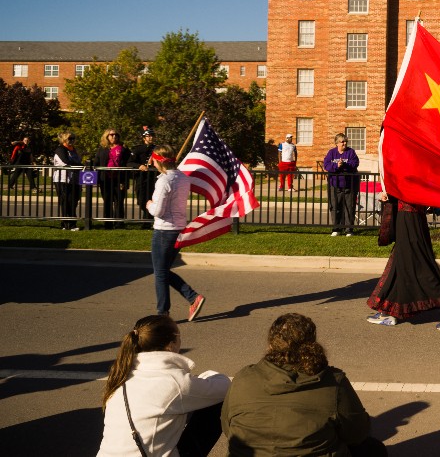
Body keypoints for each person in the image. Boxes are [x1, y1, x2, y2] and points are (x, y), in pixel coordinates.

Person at [221, 313, 387, 457]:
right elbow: (357, 433)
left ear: (270, 345)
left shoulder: (243, 378)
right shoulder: (333, 382)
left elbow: (227, 427)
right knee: (374, 449)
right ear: (312, 344)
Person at [97, 314, 229, 457]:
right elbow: (224, 386)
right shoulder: (173, 382)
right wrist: (204, 377)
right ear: (170, 345)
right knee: (216, 402)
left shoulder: (122, 376)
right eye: (179, 335)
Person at [366, 191, 440, 330]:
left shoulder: (411, 168)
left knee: (418, 265)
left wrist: (391, 192)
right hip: (408, 215)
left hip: (410, 216)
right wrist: (390, 193)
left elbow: (408, 186)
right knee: (399, 265)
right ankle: (388, 312)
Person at [147, 145, 206, 322]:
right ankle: (192, 297)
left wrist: (149, 204)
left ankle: (162, 313)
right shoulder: (182, 177)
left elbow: (158, 210)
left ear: (158, 161)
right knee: (163, 270)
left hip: (164, 230)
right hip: (178, 228)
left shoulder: (164, 181)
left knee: (160, 272)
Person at [323, 133, 360, 237]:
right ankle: (336, 228)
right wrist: (336, 165)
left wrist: (344, 165)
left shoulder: (351, 152)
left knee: (349, 207)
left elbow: (355, 163)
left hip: (349, 185)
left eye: (345, 141)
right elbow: (326, 165)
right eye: (342, 141)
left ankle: (349, 230)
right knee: (335, 206)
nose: (344, 143)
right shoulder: (331, 153)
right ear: (337, 143)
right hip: (334, 185)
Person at [94, 129, 128, 226]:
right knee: (107, 200)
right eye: (111, 135)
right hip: (105, 179)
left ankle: (119, 223)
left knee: (119, 201)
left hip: (119, 179)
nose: (114, 136)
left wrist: (125, 180)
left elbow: (128, 162)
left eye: (116, 134)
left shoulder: (123, 149)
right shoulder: (102, 149)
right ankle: (108, 223)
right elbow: (96, 162)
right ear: (106, 137)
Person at [53, 131, 82, 230]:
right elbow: (66, 162)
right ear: (64, 139)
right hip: (62, 179)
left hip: (75, 179)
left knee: (74, 201)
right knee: (65, 201)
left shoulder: (74, 150)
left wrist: (80, 165)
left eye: (73, 138)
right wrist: (80, 165)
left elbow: (77, 161)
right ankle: (67, 224)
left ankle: (71, 223)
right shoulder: (60, 149)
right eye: (70, 138)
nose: (72, 140)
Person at [129, 126, 158, 222]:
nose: (151, 138)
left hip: (154, 178)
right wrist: (139, 166)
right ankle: (147, 217)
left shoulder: (158, 149)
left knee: (152, 199)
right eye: (148, 136)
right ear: (144, 138)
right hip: (141, 178)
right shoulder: (138, 149)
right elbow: (129, 162)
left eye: (152, 136)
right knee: (141, 200)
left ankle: (147, 220)